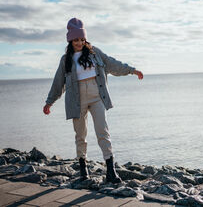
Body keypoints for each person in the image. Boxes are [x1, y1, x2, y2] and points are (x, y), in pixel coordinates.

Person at [43, 17, 143, 183]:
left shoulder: (95, 52)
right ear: (70, 40)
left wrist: (132, 70)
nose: (80, 42)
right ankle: (83, 171)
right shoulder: (65, 59)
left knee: (103, 132)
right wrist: (49, 102)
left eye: (82, 39)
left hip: (98, 97)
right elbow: (58, 83)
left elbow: (112, 64)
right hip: (77, 100)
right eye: (76, 39)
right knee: (80, 135)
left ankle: (111, 172)